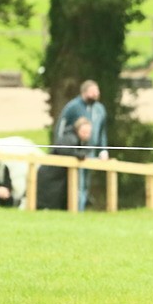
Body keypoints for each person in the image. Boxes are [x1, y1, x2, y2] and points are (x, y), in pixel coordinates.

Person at [54, 80, 109, 211]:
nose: (96, 94)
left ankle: (82, 207)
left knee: (86, 183)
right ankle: (76, 209)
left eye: (97, 92)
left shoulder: (100, 109)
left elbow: (102, 131)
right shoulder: (73, 107)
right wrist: (61, 146)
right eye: (92, 92)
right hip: (77, 151)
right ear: (84, 92)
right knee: (77, 182)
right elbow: (61, 127)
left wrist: (103, 150)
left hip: (92, 151)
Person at [36, 117, 92, 210]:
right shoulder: (70, 138)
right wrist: (79, 155)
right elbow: (63, 150)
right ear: (78, 130)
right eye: (84, 131)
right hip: (50, 176)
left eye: (88, 132)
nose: (86, 134)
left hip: (57, 177)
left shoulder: (80, 141)